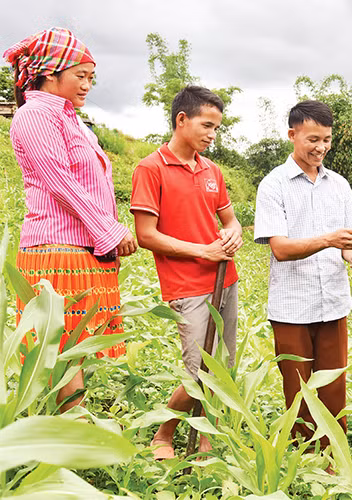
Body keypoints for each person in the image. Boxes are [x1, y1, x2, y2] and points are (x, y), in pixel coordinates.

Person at [4, 27, 137, 413]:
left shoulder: (73, 121)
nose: (87, 85)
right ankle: (67, 439)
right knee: (61, 350)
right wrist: (109, 231)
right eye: (81, 76)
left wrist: (103, 235)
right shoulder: (33, 116)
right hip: (55, 249)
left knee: (76, 349)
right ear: (51, 72)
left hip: (78, 248)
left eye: (91, 78)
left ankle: (69, 437)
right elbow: (61, 182)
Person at [131, 86, 243, 459]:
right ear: (182, 120)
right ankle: (163, 434)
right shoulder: (150, 169)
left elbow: (230, 220)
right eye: (207, 125)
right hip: (187, 285)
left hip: (225, 279)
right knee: (198, 371)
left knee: (221, 368)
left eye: (216, 128)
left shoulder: (212, 170)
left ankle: (207, 438)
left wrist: (232, 234)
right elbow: (146, 236)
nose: (212, 134)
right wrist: (203, 251)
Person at [254, 100, 352, 451]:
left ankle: (334, 454)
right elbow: (281, 249)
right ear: (293, 134)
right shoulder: (274, 185)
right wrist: (329, 240)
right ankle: (303, 459)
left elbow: (350, 241)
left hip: (333, 301)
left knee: (334, 386)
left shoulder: (340, 185)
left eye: (327, 140)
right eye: (313, 139)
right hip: (292, 305)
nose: (321, 148)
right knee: (299, 388)